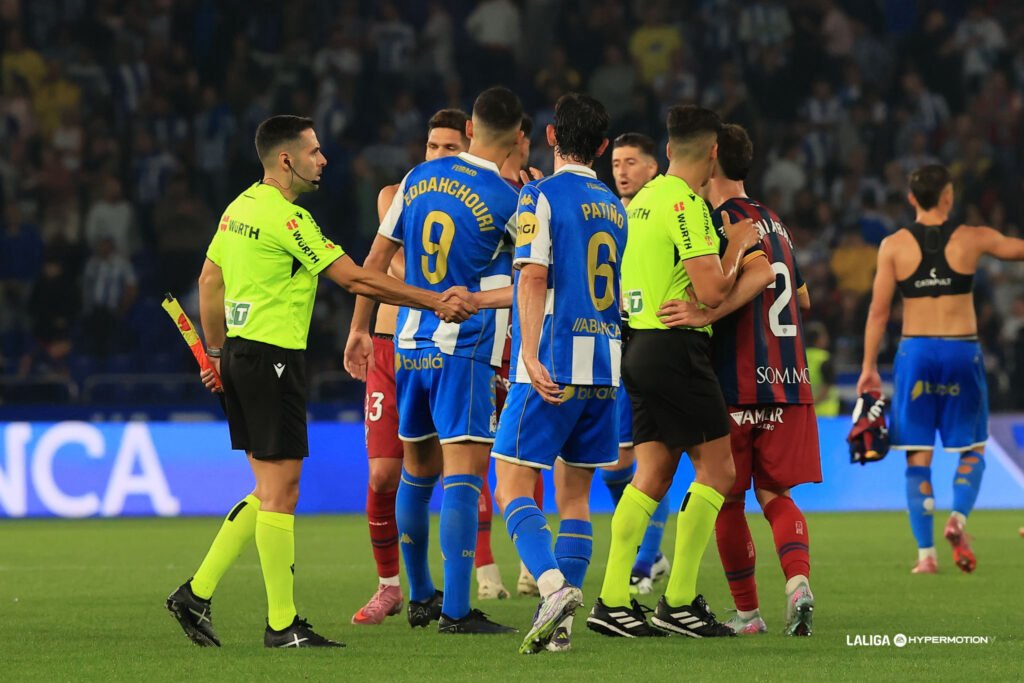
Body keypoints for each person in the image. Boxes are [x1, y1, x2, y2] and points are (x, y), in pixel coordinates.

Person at [165, 114, 475, 649]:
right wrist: (433, 300)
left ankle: (196, 594)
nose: (323, 159)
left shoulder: (239, 208)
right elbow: (355, 277)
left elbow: (208, 278)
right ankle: (281, 625)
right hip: (272, 361)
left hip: (241, 353)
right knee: (281, 494)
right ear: (286, 160)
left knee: (267, 492)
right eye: (313, 151)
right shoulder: (288, 221)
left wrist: (213, 352)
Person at [344, 86, 524, 634]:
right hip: (463, 349)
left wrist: (357, 327)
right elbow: (535, 279)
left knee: (416, 477)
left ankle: (420, 594)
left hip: (407, 345)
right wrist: (479, 298)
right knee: (464, 480)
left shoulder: (414, 183)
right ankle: (456, 610)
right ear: (517, 138)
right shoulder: (509, 198)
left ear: (470, 130)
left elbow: (373, 264)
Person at [587, 105, 758, 638]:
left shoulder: (645, 199)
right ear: (713, 153)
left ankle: (614, 600)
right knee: (720, 471)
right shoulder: (685, 203)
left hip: (636, 346)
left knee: (654, 474)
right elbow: (711, 290)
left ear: (666, 150)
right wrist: (736, 247)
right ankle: (679, 601)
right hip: (675, 350)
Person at [659, 124, 821, 636]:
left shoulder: (717, 220)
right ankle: (798, 583)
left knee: (726, 496)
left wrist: (708, 311)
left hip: (734, 381)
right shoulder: (775, 222)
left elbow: (715, 292)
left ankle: (749, 614)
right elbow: (804, 298)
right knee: (776, 495)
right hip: (789, 379)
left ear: (711, 162)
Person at [492, 93, 623, 654]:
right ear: (602, 146)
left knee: (511, 481)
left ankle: (550, 588)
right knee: (575, 497)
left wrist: (528, 353)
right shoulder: (615, 206)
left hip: (553, 362)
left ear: (550, 136)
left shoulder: (538, 195)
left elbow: (532, 276)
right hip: (605, 365)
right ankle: (561, 633)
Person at [857, 163, 1024, 574]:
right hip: (960, 350)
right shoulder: (972, 238)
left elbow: (878, 313)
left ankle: (926, 557)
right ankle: (959, 518)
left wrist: (868, 368)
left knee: (918, 454)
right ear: (948, 196)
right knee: (973, 447)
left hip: (915, 352)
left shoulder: (893, 245)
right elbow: (1017, 249)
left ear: (912, 197)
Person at [350, 109, 471, 626]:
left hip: (446, 343)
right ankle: (390, 586)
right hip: (388, 341)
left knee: (451, 471)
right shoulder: (396, 193)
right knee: (383, 474)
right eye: (431, 146)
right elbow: (388, 266)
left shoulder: (475, 197)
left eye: (449, 147)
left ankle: (445, 586)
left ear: (467, 147)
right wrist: (357, 329)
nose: (438, 156)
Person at [476, 114, 544, 601]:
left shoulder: (537, 193)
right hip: (483, 338)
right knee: (477, 454)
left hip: (521, 343)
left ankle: (529, 566)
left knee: (529, 455)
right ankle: (485, 572)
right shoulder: (484, 195)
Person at [605, 132, 671, 595]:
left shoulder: (667, 209)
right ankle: (653, 553)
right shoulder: (611, 215)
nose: (622, 171)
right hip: (612, 349)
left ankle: (645, 561)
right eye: (615, 164)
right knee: (615, 466)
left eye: (631, 162)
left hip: (655, 347)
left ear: (653, 168)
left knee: (649, 460)